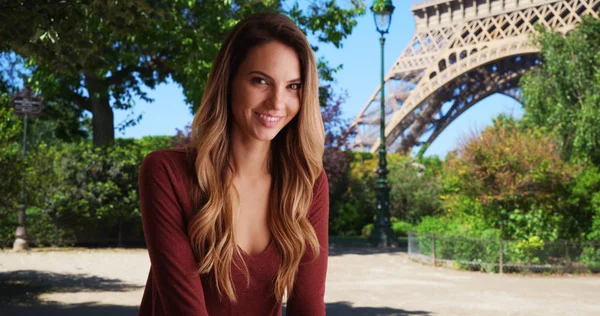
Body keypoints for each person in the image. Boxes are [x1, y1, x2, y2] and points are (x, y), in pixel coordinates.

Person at [137, 12, 329, 316]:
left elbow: (308, 306)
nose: (277, 103)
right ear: (228, 81)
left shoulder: (308, 182)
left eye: (293, 86)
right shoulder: (165, 172)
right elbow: (184, 310)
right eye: (261, 81)